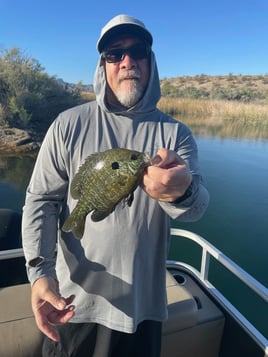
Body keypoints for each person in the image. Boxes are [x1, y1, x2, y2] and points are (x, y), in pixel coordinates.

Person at [22, 14, 209, 357]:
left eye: (138, 51)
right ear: (103, 64)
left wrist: (182, 191)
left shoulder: (175, 134)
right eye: (114, 53)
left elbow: (197, 209)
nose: (127, 62)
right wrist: (39, 273)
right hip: (73, 303)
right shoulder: (68, 124)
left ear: (150, 62)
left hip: (144, 309)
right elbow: (41, 201)